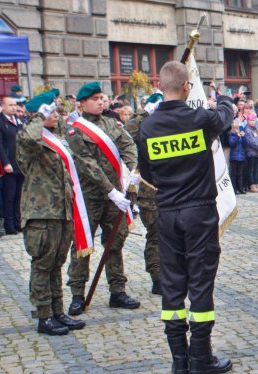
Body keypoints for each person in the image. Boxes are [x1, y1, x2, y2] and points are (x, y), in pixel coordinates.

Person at [138, 61, 234, 374]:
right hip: (199, 211)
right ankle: (201, 357)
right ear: (186, 87)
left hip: (167, 213)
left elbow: (148, 175)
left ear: (160, 86)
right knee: (201, 282)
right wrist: (221, 98)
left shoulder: (147, 127)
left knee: (173, 284)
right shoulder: (198, 118)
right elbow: (224, 117)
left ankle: (179, 360)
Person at [65, 82, 140, 315]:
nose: (101, 102)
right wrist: (111, 190)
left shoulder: (111, 123)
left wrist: (131, 170)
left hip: (115, 196)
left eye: (102, 97)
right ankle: (77, 294)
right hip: (90, 196)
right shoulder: (74, 129)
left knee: (115, 242)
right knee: (83, 245)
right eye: (95, 98)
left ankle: (117, 290)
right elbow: (87, 164)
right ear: (82, 103)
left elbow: (128, 145)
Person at [17, 91, 87, 335]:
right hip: (42, 214)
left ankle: (58, 311)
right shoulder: (30, 138)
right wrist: (38, 116)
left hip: (61, 211)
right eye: (51, 112)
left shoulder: (57, 138)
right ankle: (43, 316)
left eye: (56, 111)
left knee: (57, 263)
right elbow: (28, 139)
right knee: (43, 265)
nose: (56, 115)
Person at [124, 93, 164, 295]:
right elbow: (127, 132)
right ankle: (157, 278)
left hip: (171, 187)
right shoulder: (142, 125)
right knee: (156, 235)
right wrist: (145, 113)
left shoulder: (168, 123)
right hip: (149, 189)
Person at [0, 96, 24, 234]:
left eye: (15, 105)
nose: (14, 107)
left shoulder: (18, 121)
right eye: (11, 105)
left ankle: (18, 223)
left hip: (20, 164)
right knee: (9, 196)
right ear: (4, 106)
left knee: (19, 196)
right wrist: (5, 163)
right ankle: (9, 225)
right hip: (9, 164)